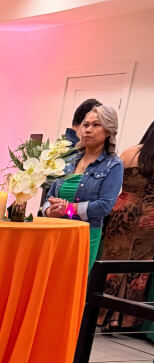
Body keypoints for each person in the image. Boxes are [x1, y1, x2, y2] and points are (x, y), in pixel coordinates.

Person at [44, 104, 124, 270]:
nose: (88, 130)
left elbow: (105, 206)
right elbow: (48, 197)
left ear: (108, 131)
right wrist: (49, 211)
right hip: (55, 230)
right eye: (85, 125)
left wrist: (69, 209)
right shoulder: (68, 159)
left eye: (96, 125)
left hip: (84, 235)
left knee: (71, 282)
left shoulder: (113, 165)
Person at [99, 120, 154, 334]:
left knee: (114, 262)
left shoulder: (129, 153)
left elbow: (115, 182)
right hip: (150, 217)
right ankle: (121, 320)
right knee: (136, 268)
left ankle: (102, 314)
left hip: (123, 212)